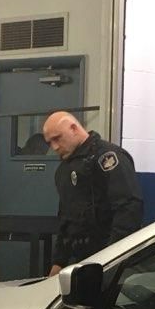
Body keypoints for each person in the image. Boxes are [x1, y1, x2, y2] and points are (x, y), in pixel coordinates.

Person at [42, 111, 142, 275]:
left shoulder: (108, 157)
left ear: (74, 128)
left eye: (57, 138)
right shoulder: (63, 171)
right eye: (49, 142)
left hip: (111, 259)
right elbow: (66, 220)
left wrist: (111, 259)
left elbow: (129, 210)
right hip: (81, 260)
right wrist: (58, 262)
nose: (54, 147)